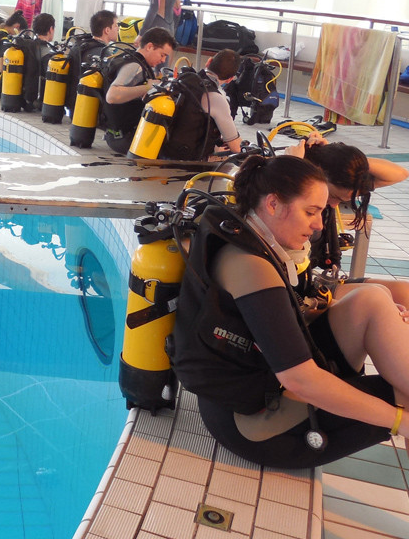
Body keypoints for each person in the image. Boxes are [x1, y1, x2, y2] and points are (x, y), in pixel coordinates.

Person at [172, 154, 409, 468]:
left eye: (322, 212)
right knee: (402, 401)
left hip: (261, 383)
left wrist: (383, 324)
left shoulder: (253, 237)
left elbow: (291, 316)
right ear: (272, 204)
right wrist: (398, 422)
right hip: (251, 425)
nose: (319, 225)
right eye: (310, 211)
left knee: (373, 299)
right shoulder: (250, 265)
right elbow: (300, 379)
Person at [286, 137, 409, 303]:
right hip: (295, 292)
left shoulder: (331, 181)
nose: (334, 204)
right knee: (377, 300)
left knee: (404, 292)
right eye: (334, 196)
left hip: (315, 284)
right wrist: (293, 164)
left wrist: (346, 161)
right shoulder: (286, 193)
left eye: (342, 201)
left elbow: (400, 174)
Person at [103, 27, 176, 155]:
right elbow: (112, 96)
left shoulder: (135, 61)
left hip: (118, 135)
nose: (163, 60)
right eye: (162, 54)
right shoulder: (135, 66)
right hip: (126, 139)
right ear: (149, 47)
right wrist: (148, 87)